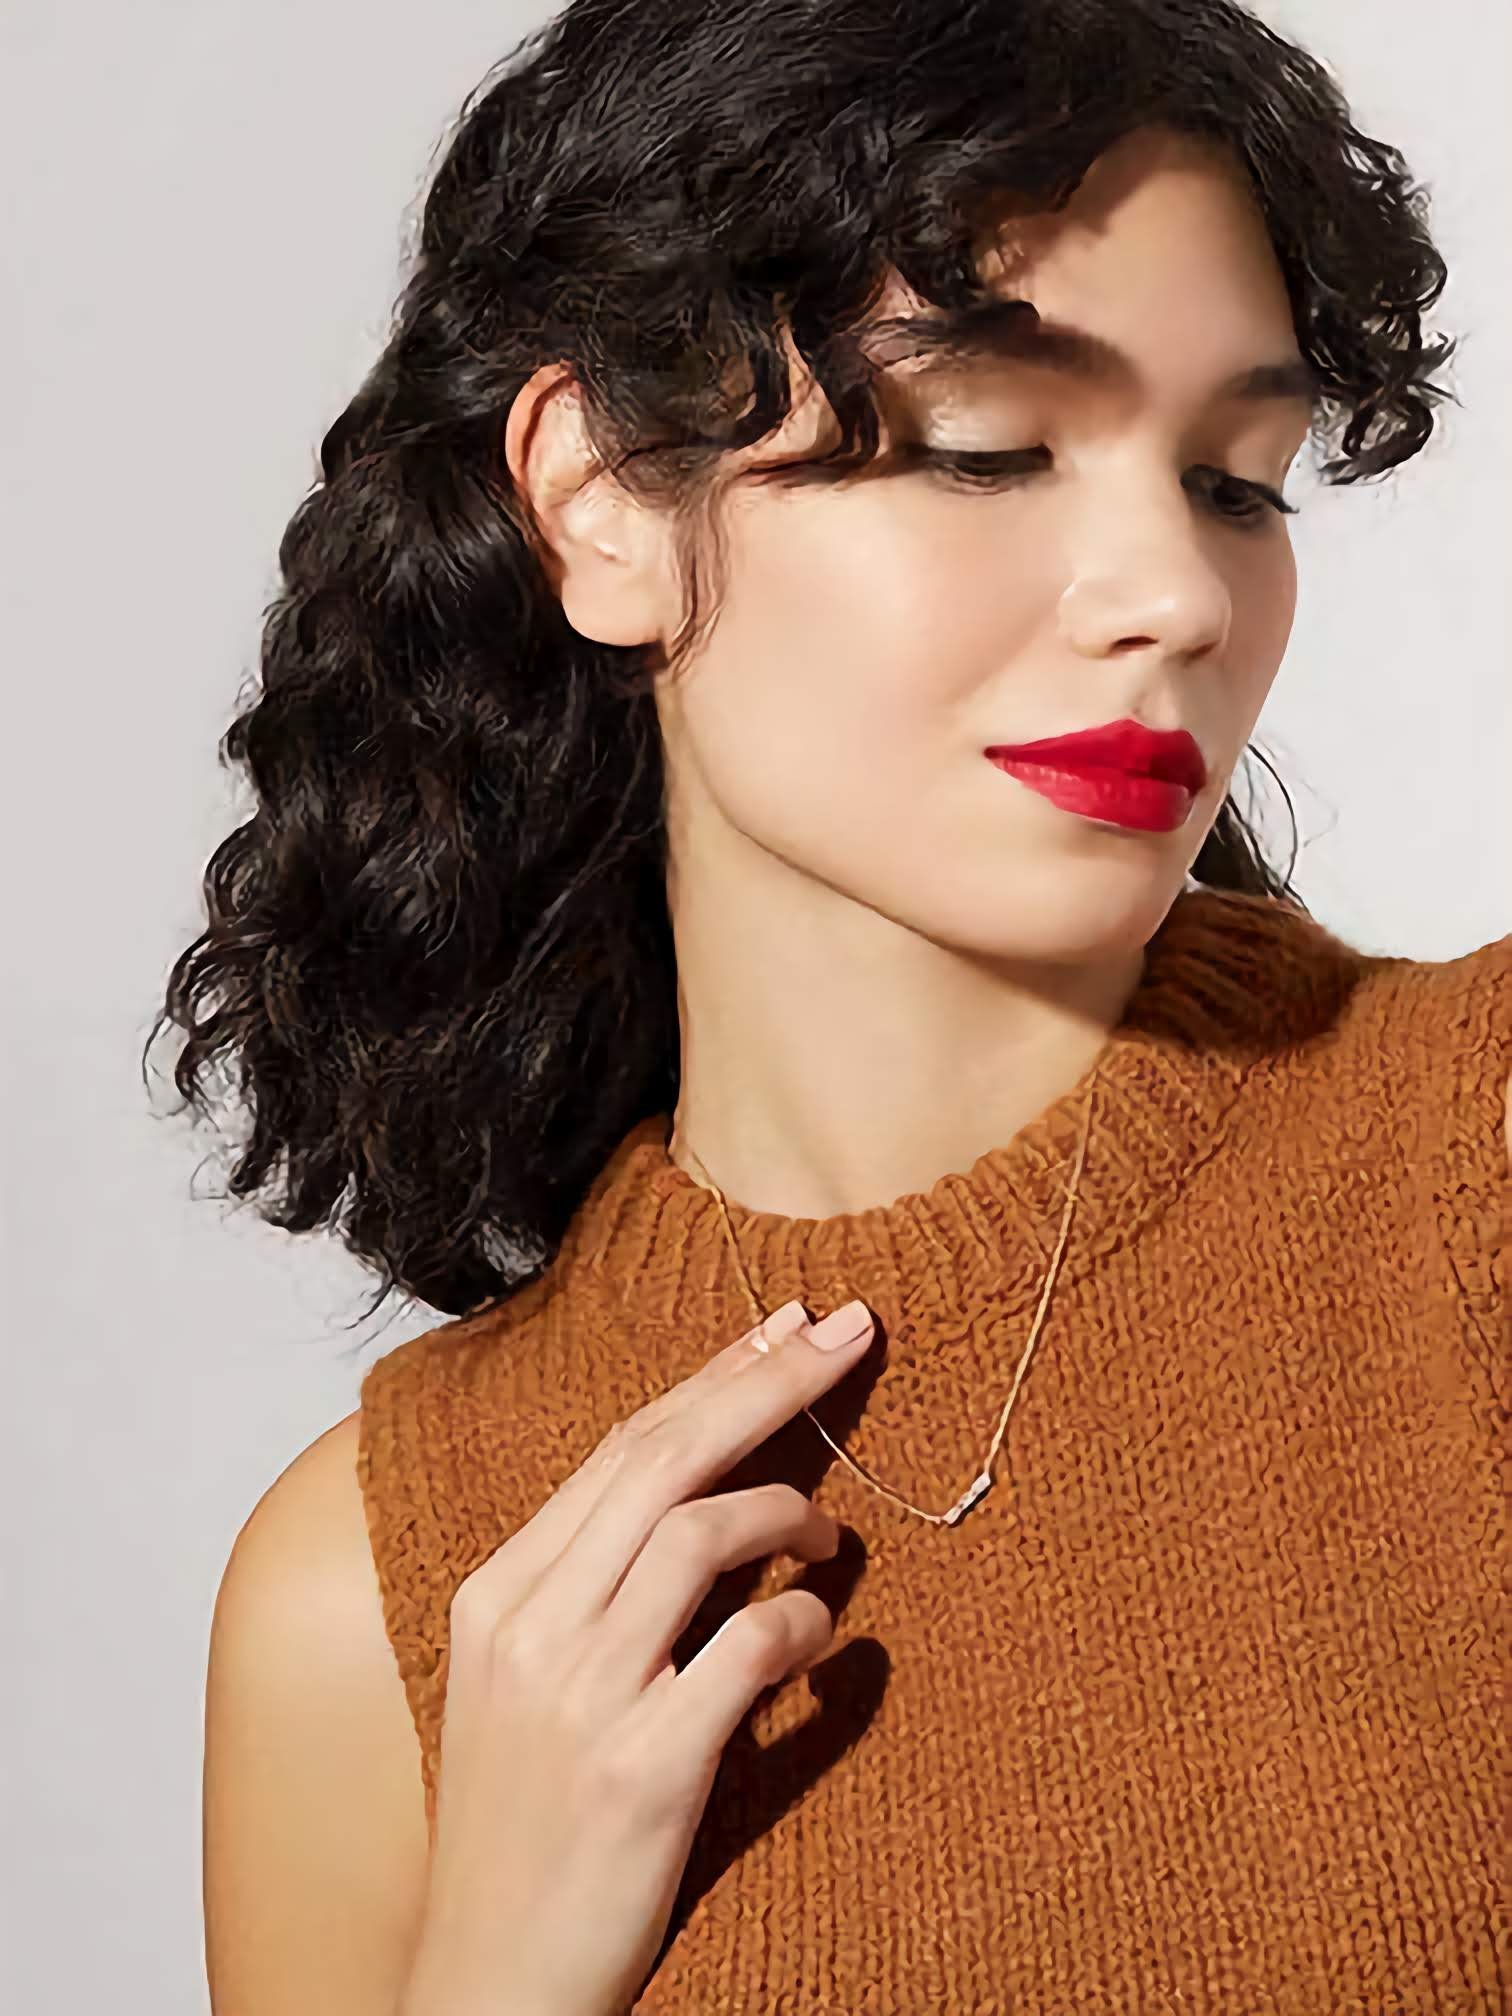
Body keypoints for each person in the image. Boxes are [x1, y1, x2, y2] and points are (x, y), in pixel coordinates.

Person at [156, 0, 1509, 2009]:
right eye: (988, 448)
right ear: (603, 499)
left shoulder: (1471, 1172)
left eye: (1238, 481)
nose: (1178, 592)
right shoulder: (369, 1592)